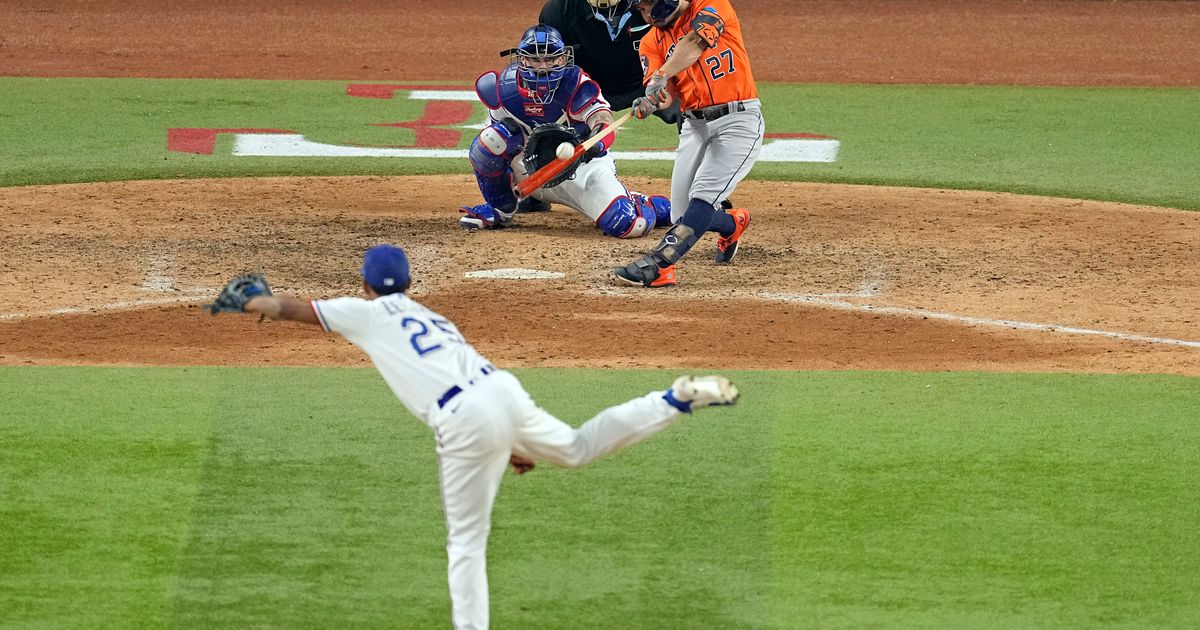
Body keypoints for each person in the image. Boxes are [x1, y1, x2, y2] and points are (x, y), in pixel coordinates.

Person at [204, 244, 741, 630]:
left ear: (366, 285)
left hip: (463, 419)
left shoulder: (363, 314)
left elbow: (287, 309)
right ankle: (673, 399)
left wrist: (251, 302)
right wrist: (509, 442)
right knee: (576, 449)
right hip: (500, 393)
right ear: (408, 283)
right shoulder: (433, 318)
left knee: (466, 543)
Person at [461, 24, 672, 238]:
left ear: (562, 59)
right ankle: (501, 209)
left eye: (550, 59)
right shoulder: (501, 89)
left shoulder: (577, 85)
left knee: (627, 224)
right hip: (530, 171)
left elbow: (603, 120)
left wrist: (595, 143)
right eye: (535, 59)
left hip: (580, 168)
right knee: (491, 139)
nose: (542, 66)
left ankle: (648, 204)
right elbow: (498, 145)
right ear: (522, 59)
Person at [611, 0, 763, 288]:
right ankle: (733, 224)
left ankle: (660, 265)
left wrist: (660, 76)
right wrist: (650, 100)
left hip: (738, 120)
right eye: (639, 9)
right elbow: (665, 96)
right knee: (682, 216)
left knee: (703, 198)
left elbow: (694, 43)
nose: (643, 15)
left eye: (646, 7)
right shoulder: (650, 42)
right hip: (694, 126)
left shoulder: (712, 6)